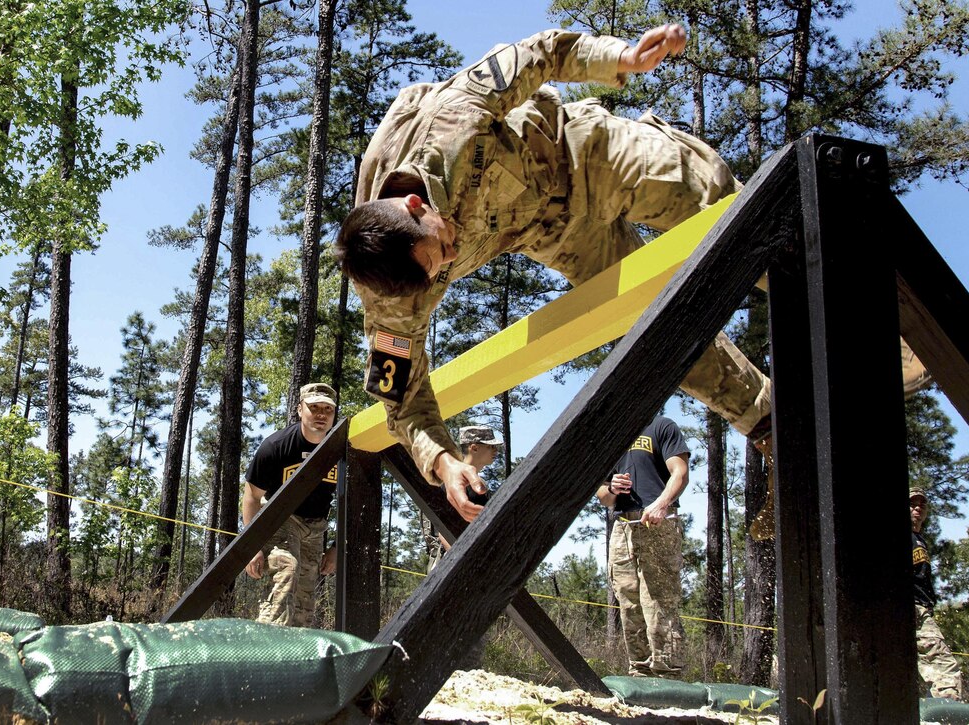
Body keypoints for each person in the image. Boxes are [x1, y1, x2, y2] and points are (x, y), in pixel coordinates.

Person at [335, 24, 930, 527]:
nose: (453, 253)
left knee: (704, 201)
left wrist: (619, 57)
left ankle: (868, 322)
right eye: (443, 269)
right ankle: (772, 420)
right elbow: (402, 402)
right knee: (661, 321)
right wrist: (443, 463)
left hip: (575, 150)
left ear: (416, 206)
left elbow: (540, 54)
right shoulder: (390, 298)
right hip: (549, 231)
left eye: (442, 246)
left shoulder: (450, 121)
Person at [596, 413, 689, 678]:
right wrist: (611, 487)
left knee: (659, 600)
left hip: (658, 521)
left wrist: (661, 503)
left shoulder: (661, 426)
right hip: (623, 526)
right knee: (627, 600)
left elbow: (680, 473)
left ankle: (668, 673)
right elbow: (603, 495)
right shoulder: (614, 435)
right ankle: (639, 671)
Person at [241, 382, 340, 626]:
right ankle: (265, 646)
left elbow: (351, 505)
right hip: (281, 520)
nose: (321, 414)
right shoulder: (276, 447)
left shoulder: (341, 450)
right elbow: (252, 496)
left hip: (316, 529)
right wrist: (251, 546)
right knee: (288, 568)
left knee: (305, 600)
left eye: (327, 409)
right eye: (314, 407)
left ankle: (295, 654)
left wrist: (337, 548)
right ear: (299, 409)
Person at [421, 425, 503, 570]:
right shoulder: (454, 480)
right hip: (453, 566)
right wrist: (464, 562)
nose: (496, 451)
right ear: (474, 448)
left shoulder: (479, 484)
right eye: (491, 447)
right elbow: (443, 530)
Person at [910, 487, 963, 699]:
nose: (917, 508)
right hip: (914, 609)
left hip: (922, 607)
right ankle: (950, 715)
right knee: (945, 669)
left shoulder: (919, 539)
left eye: (922, 504)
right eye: (912, 503)